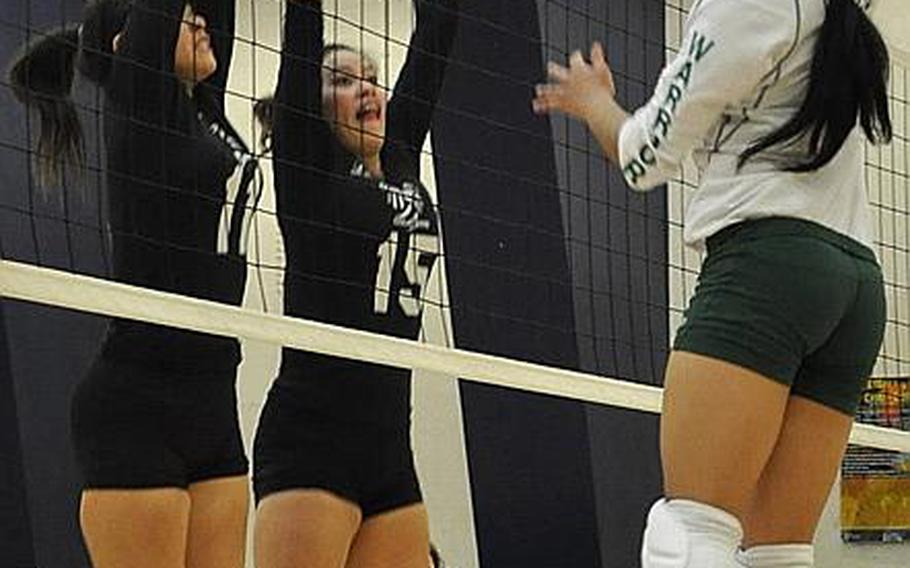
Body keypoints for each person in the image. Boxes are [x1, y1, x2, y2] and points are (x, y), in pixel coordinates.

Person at [533, 0, 891, 566]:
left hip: (770, 268)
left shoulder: (743, 4)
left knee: (689, 536)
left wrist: (594, 102)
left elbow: (644, 157)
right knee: (780, 554)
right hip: (856, 284)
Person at [9, 1, 261, 565]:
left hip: (213, 399)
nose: (200, 22)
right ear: (131, 45)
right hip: (139, 407)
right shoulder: (142, 101)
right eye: (184, 16)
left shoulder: (206, 111)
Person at [252, 1, 458, 566]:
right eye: (344, 81)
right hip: (311, 445)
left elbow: (439, 28)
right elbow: (301, 38)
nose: (367, 89)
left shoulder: (400, 159)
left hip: (390, 449)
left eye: (372, 77)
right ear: (312, 110)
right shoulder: (307, 176)